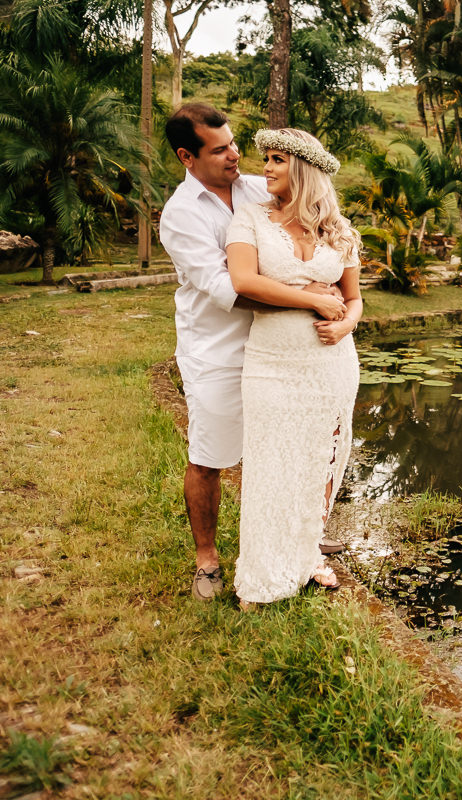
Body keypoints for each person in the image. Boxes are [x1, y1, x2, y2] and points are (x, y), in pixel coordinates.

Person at [160, 104, 345, 603]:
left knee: (291, 448)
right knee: (210, 455)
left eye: (234, 143)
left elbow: (306, 218)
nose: (236, 156)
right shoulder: (180, 215)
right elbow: (231, 288)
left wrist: (333, 300)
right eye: (220, 150)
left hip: (280, 351)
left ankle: (295, 544)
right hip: (217, 349)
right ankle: (207, 560)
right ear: (187, 156)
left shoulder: (255, 186)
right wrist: (308, 298)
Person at [225, 128, 362, 607]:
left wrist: (345, 326)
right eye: (266, 158)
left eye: (276, 159)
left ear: (302, 169)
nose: (265, 167)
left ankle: (307, 557)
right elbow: (245, 281)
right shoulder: (251, 219)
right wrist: (311, 301)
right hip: (273, 362)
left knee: (320, 462)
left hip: (332, 364)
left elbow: (354, 300)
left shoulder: (339, 231)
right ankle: (261, 579)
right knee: (269, 465)